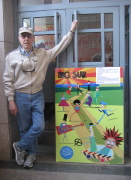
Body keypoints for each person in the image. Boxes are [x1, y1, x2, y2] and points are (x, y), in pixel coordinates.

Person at [3, 20, 78, 168]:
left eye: (29, 36)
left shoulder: (43, 54)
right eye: (23, 36)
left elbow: (59, 48)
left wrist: (71, 32)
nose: (26, 39)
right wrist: (11, 100)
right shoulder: (11, 57)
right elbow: (7, 80)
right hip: (20, 96)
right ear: (19, 38)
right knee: (24, 128)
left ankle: (19, 146)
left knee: (38, 127)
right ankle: (30, 155)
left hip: (37, 95)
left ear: (33, 38)